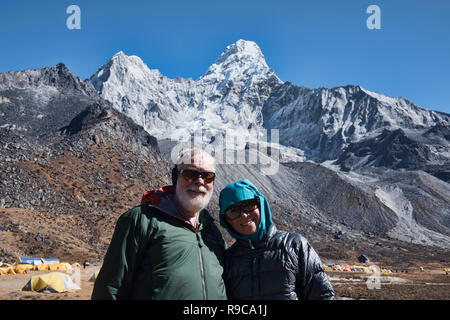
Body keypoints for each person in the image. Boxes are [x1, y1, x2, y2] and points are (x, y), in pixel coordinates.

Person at [92, 148, 227, 300]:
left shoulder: (212, 230)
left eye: (208, 176)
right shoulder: (141, 220)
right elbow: (110, 288)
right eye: (190, 174)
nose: (200, 181)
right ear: (175, 177)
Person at [219, 179, 335, 300]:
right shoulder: (229, 259)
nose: (243, 215)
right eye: (233, 211)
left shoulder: (295, 246)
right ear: (226, 220)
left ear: (261, 205)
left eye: (249, 205)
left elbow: (323, 295)